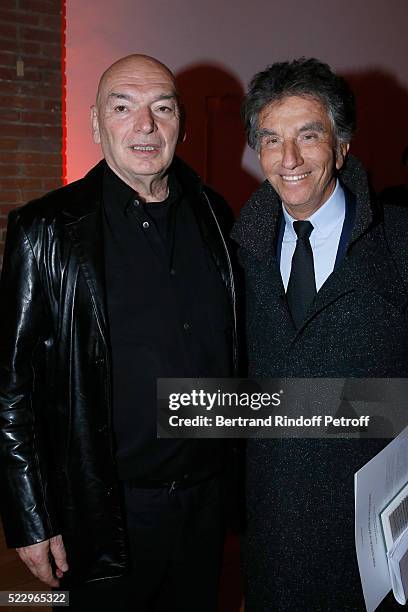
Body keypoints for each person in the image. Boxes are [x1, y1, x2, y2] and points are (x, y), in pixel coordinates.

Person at [0, 54, 238, 612]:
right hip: (104, 514)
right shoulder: (47, 231)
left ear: (180, 121)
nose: (145, 125)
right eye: (123, 107)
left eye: (162, 107)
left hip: (207, 507)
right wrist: (30, 516)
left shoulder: (217, 217)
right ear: (95, 123)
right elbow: (10, 385)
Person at [232, 58, 407, 611]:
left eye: (308, 136)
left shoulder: (400, 244)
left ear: (342, 146)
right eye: (271, 140)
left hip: (374, 534)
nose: (289, 160)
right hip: (272, 532)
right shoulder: (236, 253)